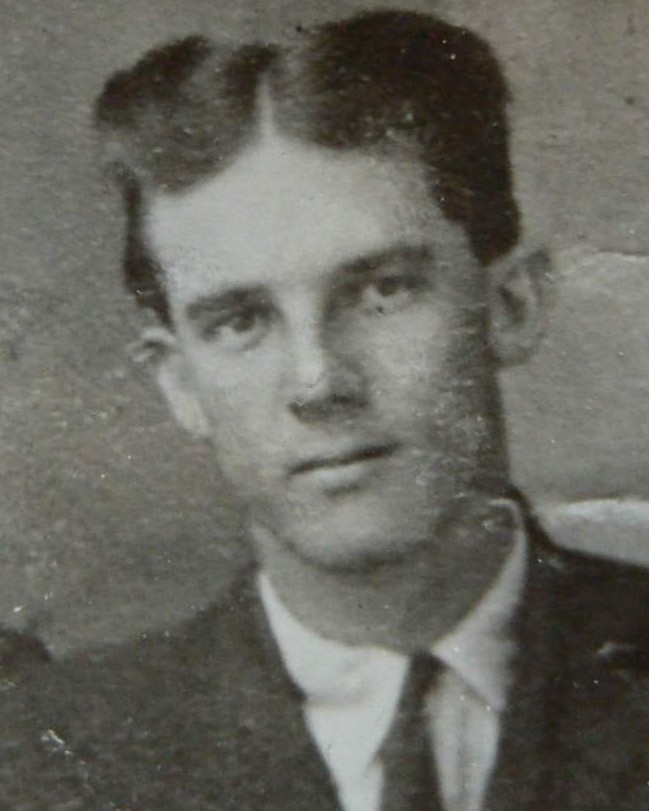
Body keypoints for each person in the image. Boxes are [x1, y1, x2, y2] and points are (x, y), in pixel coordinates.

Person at [2, 8, 649, 810]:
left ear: (510, 304)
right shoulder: (41, 762)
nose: (317, 381)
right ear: (179, 382)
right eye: (240, 321)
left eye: (382, 291)